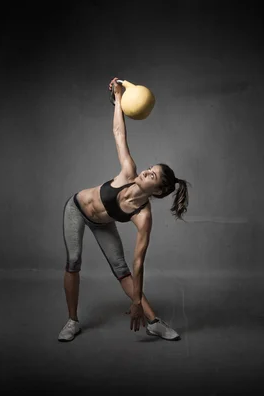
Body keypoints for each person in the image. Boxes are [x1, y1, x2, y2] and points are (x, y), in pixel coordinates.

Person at [58, 77, 191, 342]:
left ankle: (153, 321)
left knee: (122, 270)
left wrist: (137, 301)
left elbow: (138, 263)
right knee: (73, 262)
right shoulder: (128, 172)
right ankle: (72, 321)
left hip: (101, 223)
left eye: (152, 176)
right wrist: (118, 98)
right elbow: (119, 133)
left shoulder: (143, 216)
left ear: (159, 191)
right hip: (76, 209)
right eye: (150, 168)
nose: (146, 171)